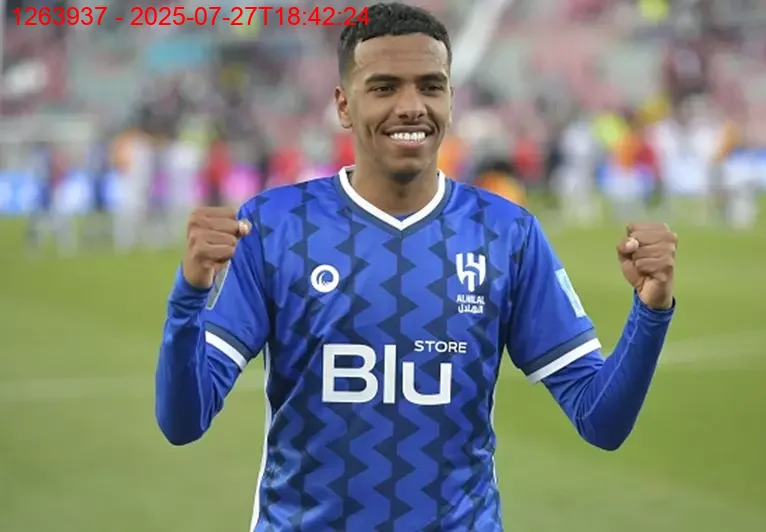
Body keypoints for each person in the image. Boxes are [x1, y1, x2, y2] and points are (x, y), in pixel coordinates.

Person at [155, 3, 679, 531]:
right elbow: (183, 420)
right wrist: (189, 295)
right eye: (384, 87)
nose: (411, 106)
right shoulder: (276, 226)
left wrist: (651, 311)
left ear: (450, 98)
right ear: (344, 105)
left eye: (430, 86)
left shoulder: (505, 233)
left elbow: (600, 419)